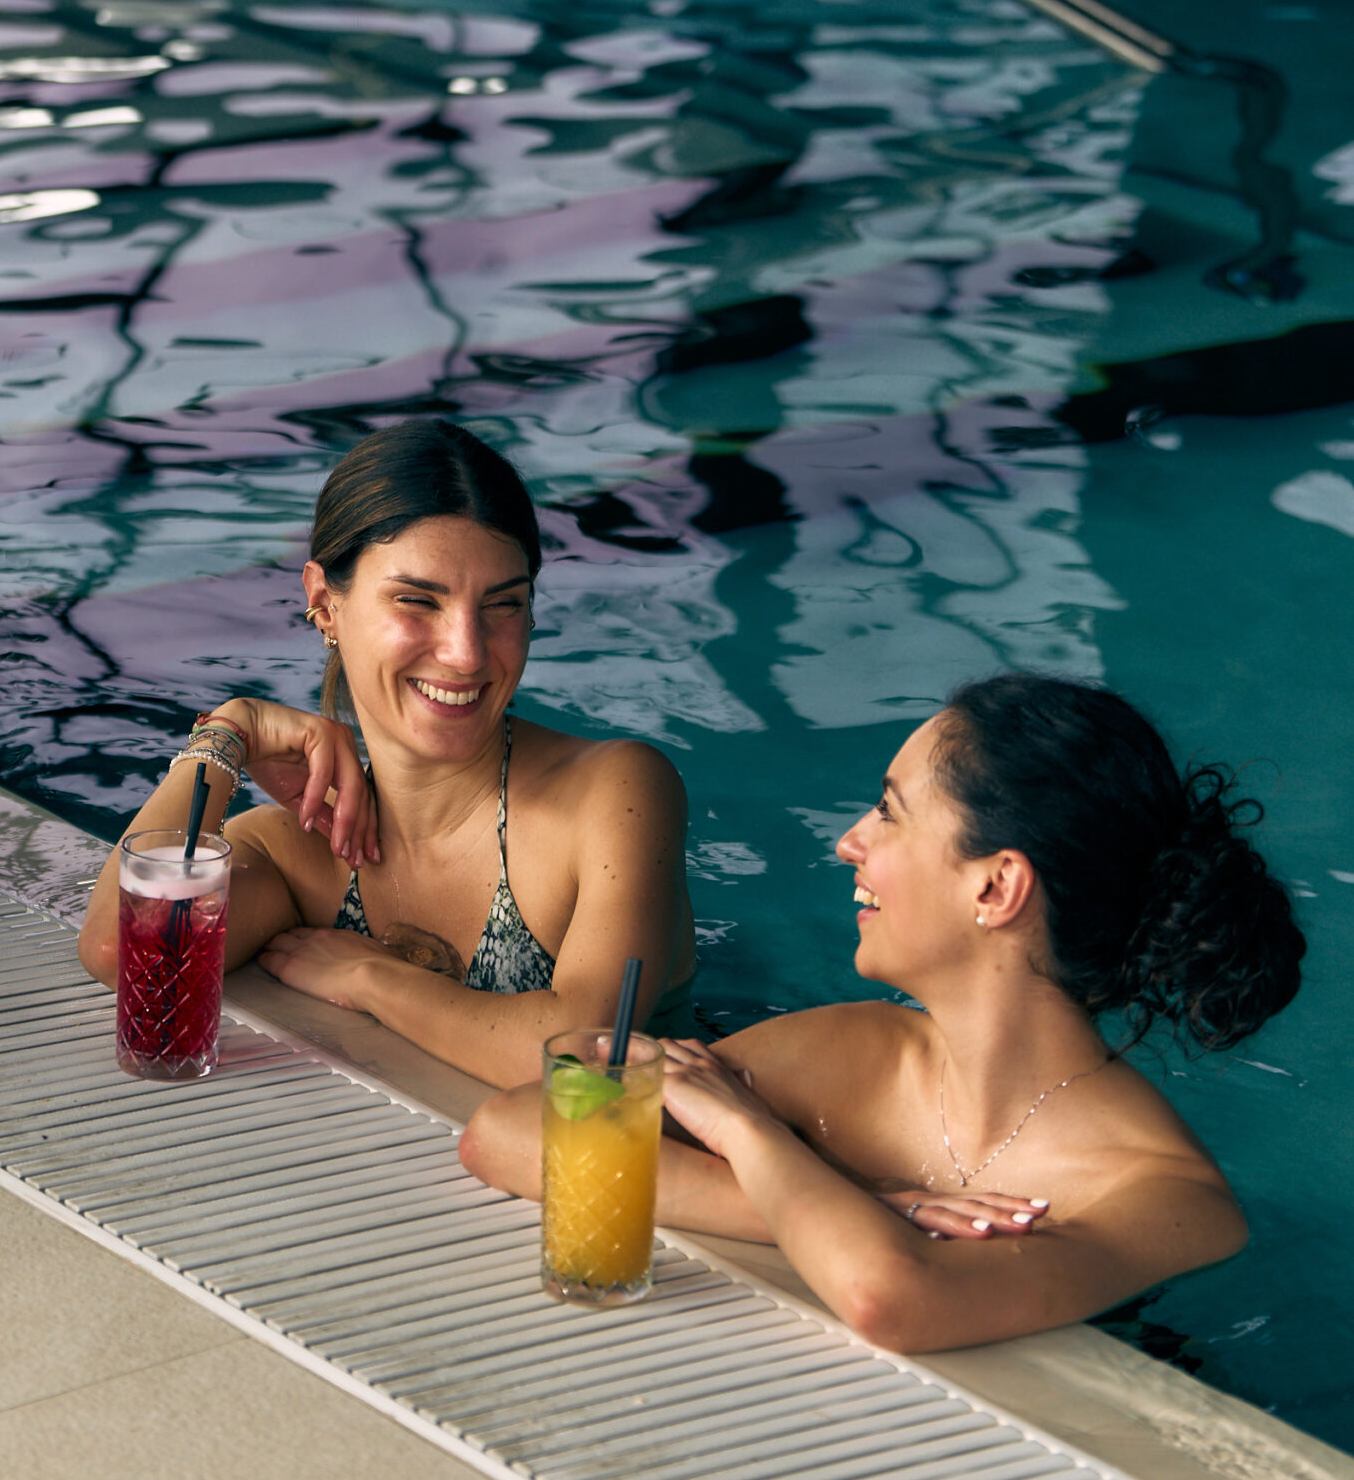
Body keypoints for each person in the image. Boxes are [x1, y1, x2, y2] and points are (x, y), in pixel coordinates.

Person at [460, 672, 1305, 1352]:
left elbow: (888, 1298)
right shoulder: (859, 1049)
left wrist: (745, 1133)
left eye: (889, 812)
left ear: (994, 886)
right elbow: (506, 1132)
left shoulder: (1165, 1198)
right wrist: (872, 1204)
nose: (848, 840)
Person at [79, 420, 698, 1085]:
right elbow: (125, 953)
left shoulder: (612, 792)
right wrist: (226, 734)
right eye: (416, 601)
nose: (465, 652)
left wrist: (371, 977)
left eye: (502, 604)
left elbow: (582, 1055)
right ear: (324, 604)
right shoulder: (299, 855)